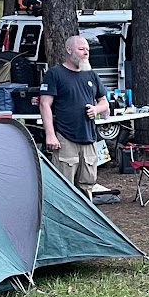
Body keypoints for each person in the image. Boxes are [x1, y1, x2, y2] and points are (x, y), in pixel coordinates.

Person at [38, 34, 109, 189]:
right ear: (69, 50)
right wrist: (50, 134)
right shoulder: (55, 74)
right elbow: (44, 104)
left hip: (89, 137)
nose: (86, 53)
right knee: (65, 185)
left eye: (87, 49)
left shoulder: (91, 74)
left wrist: (96, 109)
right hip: (65, 137)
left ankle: (86, 213)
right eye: (81, 49)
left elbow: (104, 102)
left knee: (88, 183)